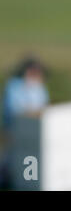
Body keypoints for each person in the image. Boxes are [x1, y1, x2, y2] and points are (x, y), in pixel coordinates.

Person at [0, 56, 49, 188]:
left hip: (36, 130)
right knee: (15, 159)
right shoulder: (14, 86)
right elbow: (13, 109)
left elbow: (43, 107)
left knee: (32, 159)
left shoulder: (39, 88)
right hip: (15, 129)